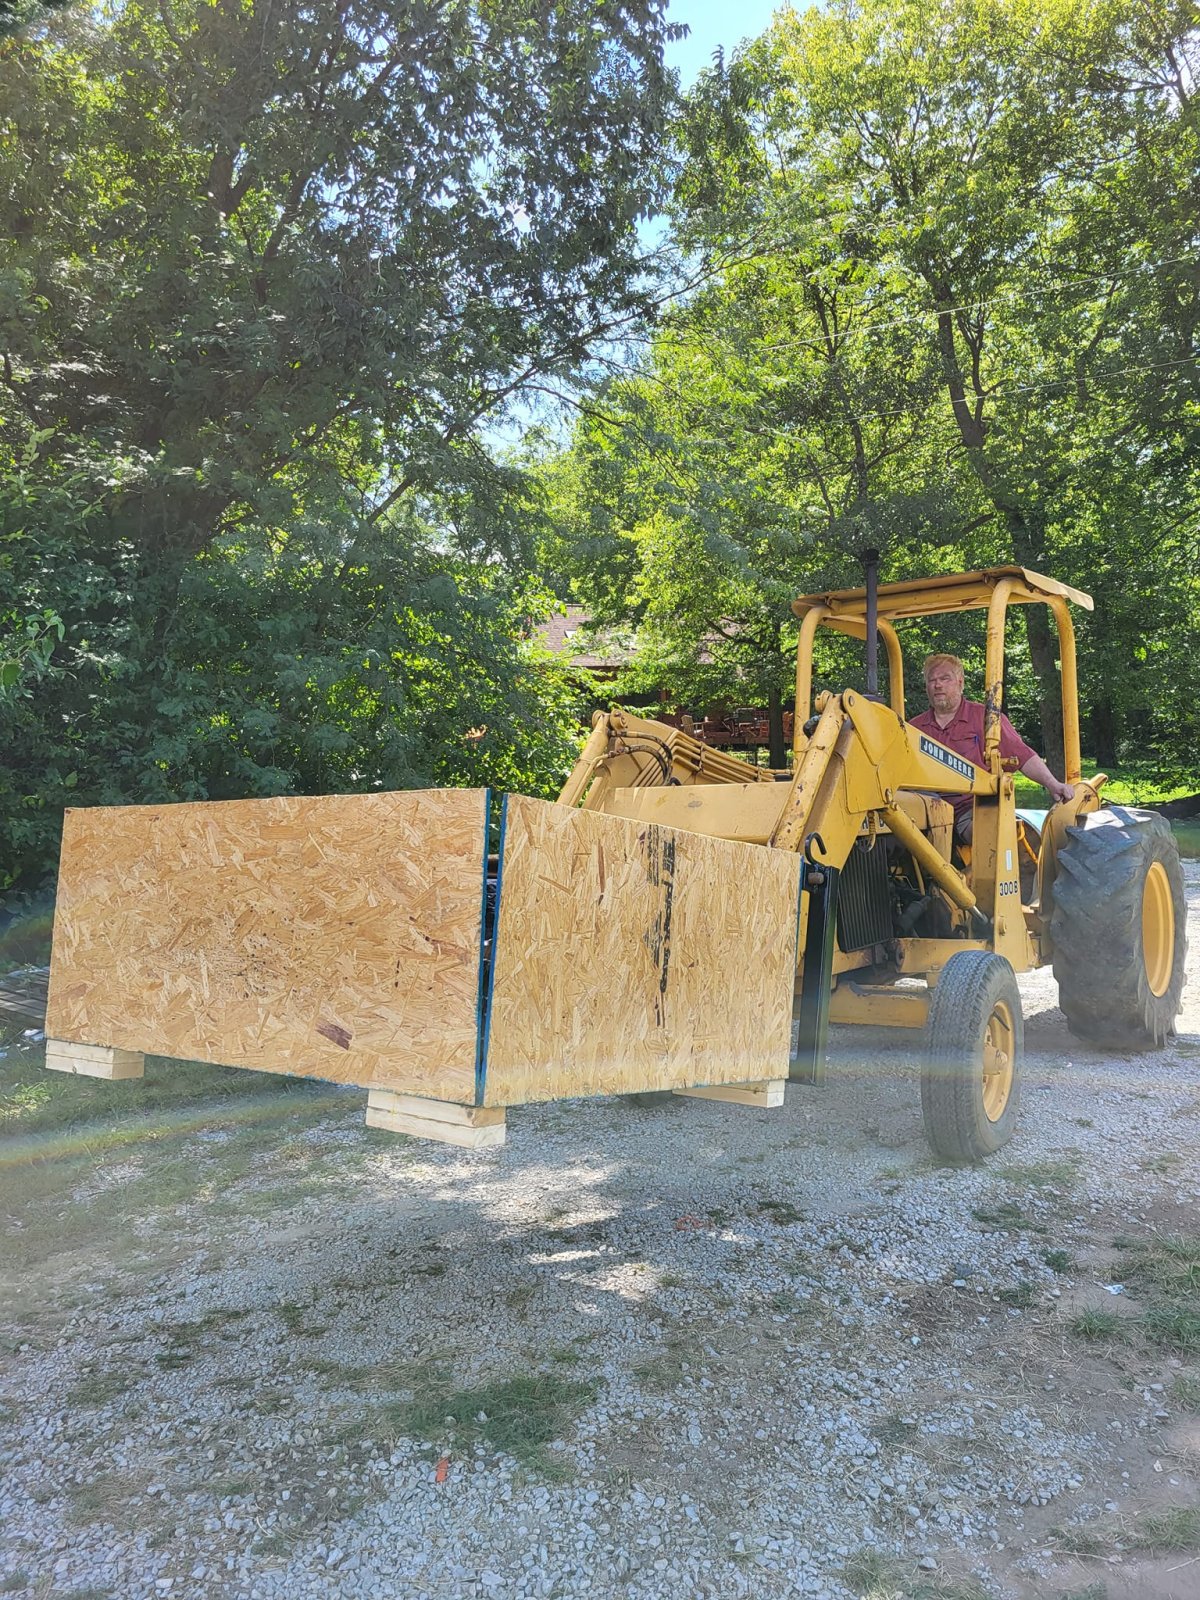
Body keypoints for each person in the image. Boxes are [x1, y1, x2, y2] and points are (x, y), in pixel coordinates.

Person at [909, 653, 1075, 842]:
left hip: (971, 809)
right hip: (924, 808)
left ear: (960, 682)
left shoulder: (987, 719)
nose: (938, 685)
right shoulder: (913, 728)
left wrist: (1053, 784)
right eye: (932, 680)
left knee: (988, 836)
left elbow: (1022, 755)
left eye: (945, 678)